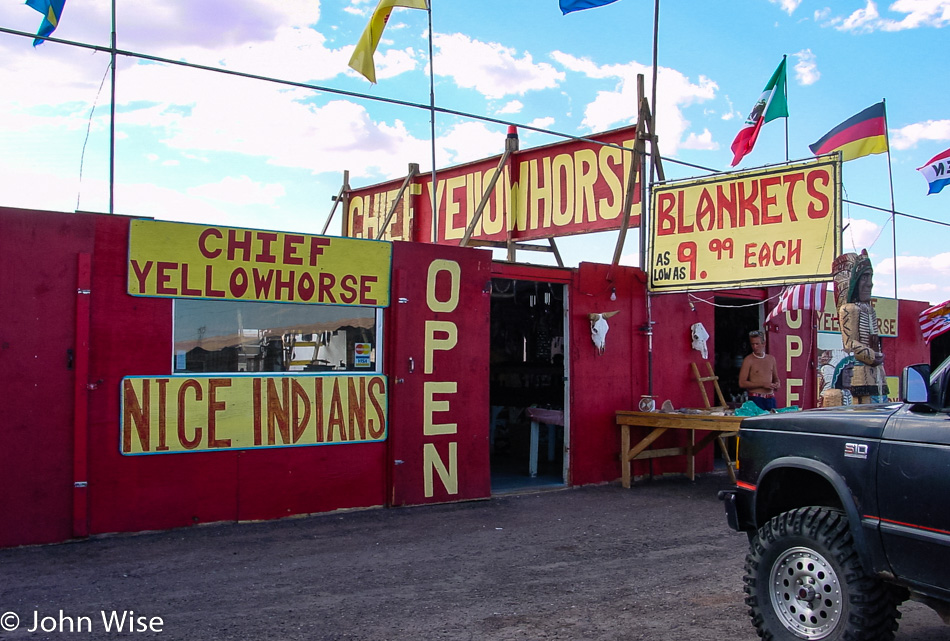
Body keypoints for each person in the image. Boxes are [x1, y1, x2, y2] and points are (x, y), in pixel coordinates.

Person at [832, 250, 888, 404]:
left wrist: (877, 354)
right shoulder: (849, 309)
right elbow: (849, 343)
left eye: (870, 277)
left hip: (877, 374)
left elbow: (873, 338)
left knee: (881, 406)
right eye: (864, 276)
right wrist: (871, 355)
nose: (870, 283)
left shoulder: (870, 309)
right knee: (865, 410)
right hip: (860, 373)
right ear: (854, 281)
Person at [738, 330, 781, 411]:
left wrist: (777, 384)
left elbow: (776, 378)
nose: (754, 347)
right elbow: (742, 383)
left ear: (763, 344)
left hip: (770, 399)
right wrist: (762, 384)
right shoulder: (748, 360)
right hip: (756, 399)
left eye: (757, 344)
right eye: (752, 344)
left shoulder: (771, 359)